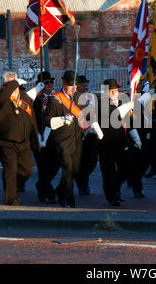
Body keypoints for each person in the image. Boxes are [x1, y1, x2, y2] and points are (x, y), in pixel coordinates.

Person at [0, 72, 41, 206]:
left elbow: (32, 115)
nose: (15, 87)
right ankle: (10, 200)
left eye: (16, 84)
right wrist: (15, 82)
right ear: (5, 85)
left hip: (24, 143)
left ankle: (15, 190)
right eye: (11, 84)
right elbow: (0, 99)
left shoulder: (23, 96)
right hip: (6, 143)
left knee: (27, 171)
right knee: (10, 171)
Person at [44, 71, 103, 208]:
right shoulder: (56, 99)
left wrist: (96, 128)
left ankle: (59, 191)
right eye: (70, 85)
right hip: (61, 141)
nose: (73, 88)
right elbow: (47, 120)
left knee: (75, 170)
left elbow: (86, 116)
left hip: (77, 140)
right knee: (68, 169)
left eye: (74, 86)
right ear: (64, 84)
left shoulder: (79, 98)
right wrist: (62, 120)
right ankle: (69, 200)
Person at [97, 79, 139, 206]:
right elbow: (114, 115)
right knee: (108, 171)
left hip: (121, 143)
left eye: (114, 91)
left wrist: (136, 138)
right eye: (109, 91)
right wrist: (128, 106)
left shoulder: (122, 102)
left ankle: (115, 188)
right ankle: (112, 197)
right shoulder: (100, 103)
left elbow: (128, 123)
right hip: (106, 143)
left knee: (127, 168)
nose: (112, 93)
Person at [32, 71, 59, 204]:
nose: (49, 85)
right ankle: (49, 193)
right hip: (39, 138)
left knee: (55, 166)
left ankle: (41, 185)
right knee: (43, 168)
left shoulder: (57, 99)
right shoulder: (34, 100)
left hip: (54, 139)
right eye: (46, 82)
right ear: (40, 85)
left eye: (51, 82)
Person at [74, 75, 99, 196]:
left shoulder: (92, 97)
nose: (86, 87)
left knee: (92, 160)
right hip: (78, 134)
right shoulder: (73, 98)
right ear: (77, 85)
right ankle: (82, 185)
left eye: (86, 84)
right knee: (81, 162)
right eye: (83, 84)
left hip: (91, 133)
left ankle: (83, 182)